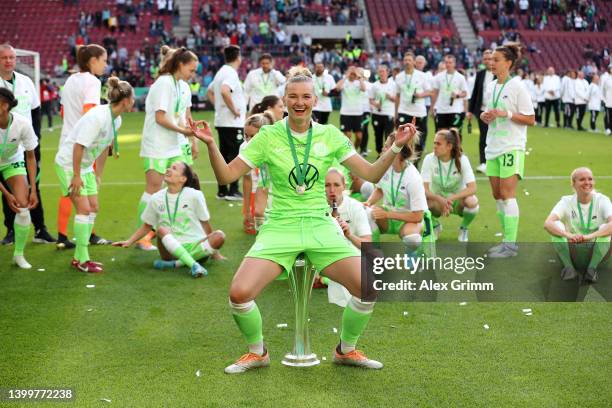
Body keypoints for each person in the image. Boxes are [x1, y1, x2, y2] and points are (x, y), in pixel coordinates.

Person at [190, 66, 418, 374]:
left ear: (315, 99)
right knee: (239, 293)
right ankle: (258, 352)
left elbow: (372, 173)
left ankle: (346, 350)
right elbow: (226, 175)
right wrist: (211, 144)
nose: (300, 102)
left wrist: (397, 146)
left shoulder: (329, 135)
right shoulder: (268, 137)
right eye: (293, 97)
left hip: (318, 223)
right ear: (283, 100)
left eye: (306, 97)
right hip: (280, 225)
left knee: (369, 285)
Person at [54, 77, 134, 273]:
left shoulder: (117, 120)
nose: (134, 102)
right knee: (83, 209)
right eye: (132, 99)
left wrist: (98, 174)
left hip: (86, 167)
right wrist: (75, 175)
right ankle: (81, 259)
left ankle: (80, 257)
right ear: (125, 101)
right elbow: (78, 146)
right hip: (68, 164)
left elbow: (104, 148)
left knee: (93, 207)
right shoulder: (98, 116)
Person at [113, 162, 226, 277]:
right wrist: (129, 241)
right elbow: (147, 226)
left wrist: (215, 253)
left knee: (219, 236)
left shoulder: (195, 195)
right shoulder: (156, 198)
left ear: (183, 178)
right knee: (161, 229)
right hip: (170, 251)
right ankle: (191, 263)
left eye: (174, 168)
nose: (168, 169)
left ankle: (177, 264)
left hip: (196, 246)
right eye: (169, 167)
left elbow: (205, 224)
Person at [135, 47, 198, 251]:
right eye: (192, 69)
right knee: (153, 189)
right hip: (157, 145)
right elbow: (160, 118)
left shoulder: (179, 85)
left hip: (173, 144)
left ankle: (174, 232)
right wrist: (184, 131)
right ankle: (142, 237)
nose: (193, 74)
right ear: (180, 65)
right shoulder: (163, 83)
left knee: (183, 185)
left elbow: (181, 115)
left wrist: (191, 135)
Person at [480, 44, 535, 257]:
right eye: (491, 59)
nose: (491, 63)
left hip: (512, 146)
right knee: (496, 194)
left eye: (496, 59)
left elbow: (530, 119)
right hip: (492, 147)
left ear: (508, 63)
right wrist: (487, 115)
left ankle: (510, 245)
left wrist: (506, 114)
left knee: (506, 193)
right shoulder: (491, 86)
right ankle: (505, 241)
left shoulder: (518, 87)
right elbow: (491, 111)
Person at [0, 43, 54, 246]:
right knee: (7, 188)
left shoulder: (26, 81)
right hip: (4, 145)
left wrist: (36, 139)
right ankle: (11, 230)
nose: (8, 61)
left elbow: (36, 111)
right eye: (4, 58)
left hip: (27, 143)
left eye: (11, 58)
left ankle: (41, 229)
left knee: (33, 186)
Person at [56, 44, 109, 249]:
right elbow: (90, 113)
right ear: (93, 61)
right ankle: (89, 236)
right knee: (87, 195)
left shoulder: (70, 80)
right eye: (103, 60)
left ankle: (62, 236)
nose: (105, 64)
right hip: (82, 146)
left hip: (66, 142)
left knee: (70, 192)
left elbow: (62, 112)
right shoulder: (92, 82)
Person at [544, 167, 611, 283]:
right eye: (582, 179)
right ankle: (569, 268)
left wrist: (589, 237)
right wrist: (569, 235)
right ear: (573, 184)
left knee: (605, 228)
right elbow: (548, 223)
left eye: (590, 179)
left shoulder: (602, 200)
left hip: (596, 252)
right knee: (556, 225)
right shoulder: (566, 201)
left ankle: (592, 269)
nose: (587, 183)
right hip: (573, 251)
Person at [365, 132, 427, 249]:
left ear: (397, 149)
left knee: (412, 238)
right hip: (388, 218)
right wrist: (369, 202)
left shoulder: (413, 176)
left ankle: (415, 260)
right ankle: (374, 254)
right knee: (368, 214)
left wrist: (387, 214)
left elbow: (418, 216)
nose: (383, 149)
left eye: (387, 146)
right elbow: (379, 190)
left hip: (409, 220)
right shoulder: (385, 167)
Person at [322, 168, 372, 306]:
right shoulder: (317, 208)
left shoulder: (355, 207)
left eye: (336, 185)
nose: (332, 190)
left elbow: (367, 244)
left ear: (344, 186)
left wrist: (349, 235)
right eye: (327, 185)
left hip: (350, 255)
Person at [0, 89, 39, 268]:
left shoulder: (22, 124)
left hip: (11, 162)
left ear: (5, 106)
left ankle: (18, 255)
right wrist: (7, 194)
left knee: (23, 206)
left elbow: (30, 157)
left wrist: (33, 189)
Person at [421, 128, 478, 242]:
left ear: (449, 146)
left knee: (472, 202)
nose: (435, 146)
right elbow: (423, 189)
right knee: (419, 201)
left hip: (456, 201)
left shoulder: (462, 159)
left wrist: (450, 198)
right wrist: (439, 199)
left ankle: (464, 228)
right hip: (436, 202)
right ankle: (435, 225)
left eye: (438, 144)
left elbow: (473, 188)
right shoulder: (429, 159)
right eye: (434, 143)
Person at [207, 45, 246, 200]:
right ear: (238, 57)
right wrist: (234, 110)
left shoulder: (220, 72)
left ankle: (222, 190)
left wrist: (219, 106)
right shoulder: (230, 73)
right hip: (232, 122)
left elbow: (210, 91)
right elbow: (224, 90)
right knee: (235, 155)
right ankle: (233, 190)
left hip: (222, 121)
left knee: (222, 155)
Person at [240, 113, 274, 234]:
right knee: (257, 230)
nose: (248, 140)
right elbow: (247, 179)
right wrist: (247, 209)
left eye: (252, 136)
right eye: (246, 136)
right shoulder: (244, 148)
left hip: (276, 193)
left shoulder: (275, 146)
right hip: (258, 193)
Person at [394, 52, 430, 162]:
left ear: (414, 62)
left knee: (419, 140)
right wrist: (396, 113)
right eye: (405, 60)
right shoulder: (399, 77)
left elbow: (430, 92)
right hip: (404, 111)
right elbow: (398, 95)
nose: (407, 62)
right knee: (403, 138)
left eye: (409, 60)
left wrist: (420, 95)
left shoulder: (422, 76)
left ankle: (416, 162)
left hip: (419, 112)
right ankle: (403, 160)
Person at [467, 49, 494, 174]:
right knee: (483, 137)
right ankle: (483, 162)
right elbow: (475, 93)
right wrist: (470, 110)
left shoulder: (498, 74)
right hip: (482, 111)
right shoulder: (480, 74)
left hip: (495, 112)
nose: (488, 61)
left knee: (494, 137)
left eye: (490, 58)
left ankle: (493, 162)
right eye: (486, 59)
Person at [431, 54, 468, 133]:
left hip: (455, 110)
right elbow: (435, 93)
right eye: (446, 62)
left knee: (454, 134)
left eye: (450, 62)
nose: (448, 64)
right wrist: (432, 108)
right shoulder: (439, 76)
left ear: (454, 64)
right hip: (441, 110)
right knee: (441, 134)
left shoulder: (460, 77)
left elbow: (465, 93)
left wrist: (457, 95)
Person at [336, 65, 366, 149]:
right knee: (347, 136)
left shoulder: (359, 82)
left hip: (358, 113)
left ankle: (354, 150)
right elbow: (337, 88)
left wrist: (358, 75)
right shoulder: (344, 81)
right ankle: (350, 152)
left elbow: (364, 89)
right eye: (351, 73)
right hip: (346, 113)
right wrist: (346, 76)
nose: (352, 75)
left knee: (359, 137)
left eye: (354, 73)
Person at [369, 65, 396, 157]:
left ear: (387, 73)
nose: (382, 73)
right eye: (380, 71)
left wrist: (391, 97)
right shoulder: (374, 85)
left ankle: (387, 154)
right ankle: (379, 153)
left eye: (383, 71)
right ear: (378, 73)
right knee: (378, 135)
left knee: (389, 135)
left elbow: (397, 99)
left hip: (389, 114)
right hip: (377, 114)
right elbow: (371, 99)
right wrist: (376, 104)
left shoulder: (393, 84)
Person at [603, 65, 612, 136]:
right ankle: (608, 129)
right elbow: (604, 91)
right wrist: (604, 100)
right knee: (609, 117)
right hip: (609, 102)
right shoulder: (607, 79)